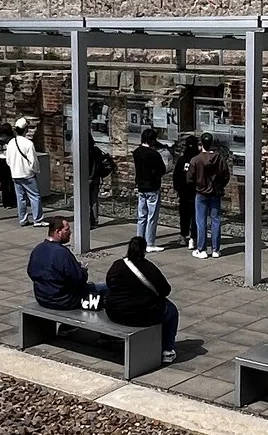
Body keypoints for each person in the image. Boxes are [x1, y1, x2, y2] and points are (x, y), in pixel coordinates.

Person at [102, 234, 179, 364]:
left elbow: (109, 284)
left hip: (115, 313)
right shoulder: (149, 268)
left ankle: (109, 337)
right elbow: (165, 290)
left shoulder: (116, 266)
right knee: (171, 311)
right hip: (142, 316)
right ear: (144, 250)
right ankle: (167, 350)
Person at [27, 215, 89, 309]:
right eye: (67, 229)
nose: (70, 232)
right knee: (102, 288)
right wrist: (83, 270)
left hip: (42, 298)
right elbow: (78, 279)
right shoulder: (61, 253)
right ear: (58, 232)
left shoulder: (37, 249)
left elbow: (31, 271)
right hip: (64, 300)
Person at [186, 135, 230, 258]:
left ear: (201, 144)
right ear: (212, 144)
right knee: (216, 220)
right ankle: (216, 249)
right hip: (215, 193)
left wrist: (196, 186)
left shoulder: (195, 160)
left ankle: (202, 249)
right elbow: (226, 175)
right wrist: (220, 186)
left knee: (201, 221)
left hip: (201, 193)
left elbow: (189, 178)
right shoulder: (219, 158)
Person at [132, 128, 167, 248]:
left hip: (141, 187)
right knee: (152, 217)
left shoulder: (136, 152)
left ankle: (139, 241)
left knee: (141, 216)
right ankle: (150, 243)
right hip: (152, 187)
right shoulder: (154, 154)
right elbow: (162, 170)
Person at [3, 117, 42, 225]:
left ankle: (23, 219)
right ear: (26, 130)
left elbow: (8, 160)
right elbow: (33, 161)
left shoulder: (11, 143)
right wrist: (34, 170)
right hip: (27, 174)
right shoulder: (28, 144)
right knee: (35, 196)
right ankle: (37, 219)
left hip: (15, 174)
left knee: (21, 198)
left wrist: (14, 169)